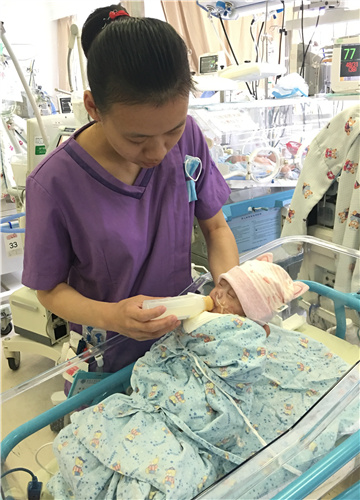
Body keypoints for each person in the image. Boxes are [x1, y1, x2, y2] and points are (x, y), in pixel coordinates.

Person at [22, 4, 239, 373]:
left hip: (184, 339)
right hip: (108, 353)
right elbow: (50, 290)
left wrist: (228, 290)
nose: (158, 152)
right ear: (93, 107)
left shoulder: (190, 142)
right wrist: (113, 317)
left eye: (172, 130)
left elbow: (216, 229)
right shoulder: (55, 183)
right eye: (137, 138)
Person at [47, 254, 353, 500]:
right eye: (220, 286)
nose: (217, 296)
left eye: (231, 296)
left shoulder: (245, 337)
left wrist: (214, 331)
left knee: (153, 485)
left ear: (250, 314)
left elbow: (235, 377)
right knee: (77, 442)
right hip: (152, 405)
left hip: (187, 426)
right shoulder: (197, 320)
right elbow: (158, 358)